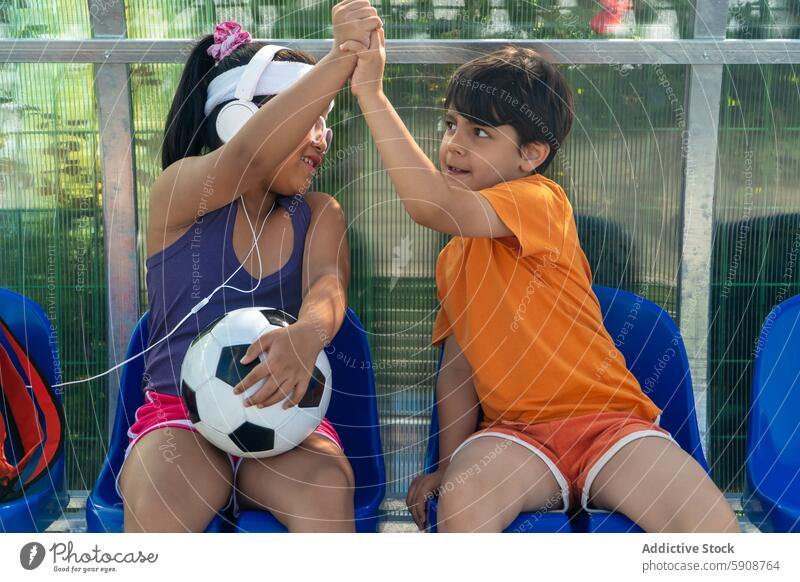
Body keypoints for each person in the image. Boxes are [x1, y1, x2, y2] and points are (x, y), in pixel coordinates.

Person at [343, 30, 739, 533]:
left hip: (610, 424)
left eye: (480, 132)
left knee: (712, 529)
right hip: (514, 437)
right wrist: (444, 466)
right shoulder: (453, 259)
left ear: (530, 155)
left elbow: (431, 207)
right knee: (464, 503)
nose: (454, 144)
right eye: (450, 125)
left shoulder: (539, 200)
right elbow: (459, 369)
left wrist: (372, 94)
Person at [118, 1, 383, 532]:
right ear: (240, 118)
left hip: (286, 420)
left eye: (326, 124)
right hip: (179, 417)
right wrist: (342, 58)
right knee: (163, 496)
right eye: (308, 120)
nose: (321, 138)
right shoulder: (179, 190)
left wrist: (308, 333)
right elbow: (247, 160)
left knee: (329, 487)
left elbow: (327, 285)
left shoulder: (318, 213)